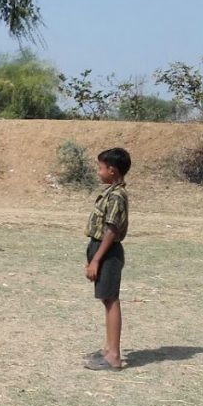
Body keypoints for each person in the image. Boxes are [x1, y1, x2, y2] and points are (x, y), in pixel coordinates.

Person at [83, 148, 131, 372]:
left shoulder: (116, 196)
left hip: (108, 251)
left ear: (112, 171)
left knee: (111, 300)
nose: (98, 172)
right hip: (101, 249)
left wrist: (96, 261)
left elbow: (111, 231)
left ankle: (113, 356)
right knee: (106, 299)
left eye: (100, 168)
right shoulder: (111, 191)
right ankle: (108, 348)